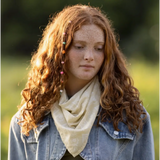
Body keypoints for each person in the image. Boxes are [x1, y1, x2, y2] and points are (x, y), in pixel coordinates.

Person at [8, 4, 154, 160]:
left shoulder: (131, 116)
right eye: (79, 46)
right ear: (59, 51)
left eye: (99, 48)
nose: (89, 56)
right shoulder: (27, 120)